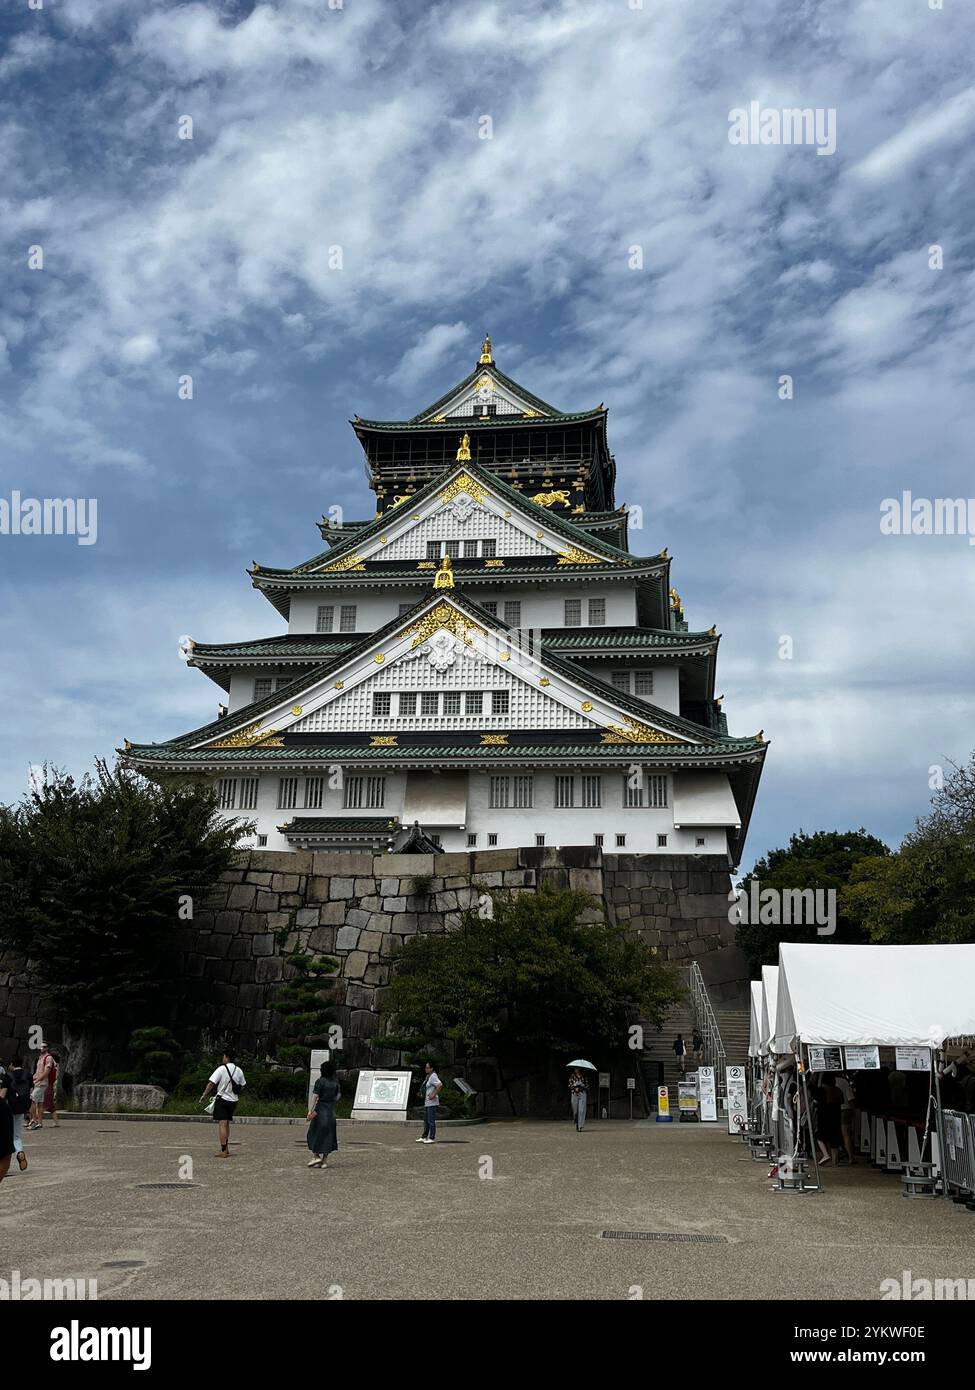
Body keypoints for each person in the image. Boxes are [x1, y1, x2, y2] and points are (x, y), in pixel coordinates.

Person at [200, 1049, 246, 1158]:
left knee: (222, 1124)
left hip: (222, 1100)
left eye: (224, 1056)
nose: (223, 1058)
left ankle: (223, 1150)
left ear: (227, 1057)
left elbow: (211, 1083)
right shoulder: (239, 1070)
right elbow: (243, 1085)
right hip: (233, 1101)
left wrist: (204, 1094)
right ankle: (226, 1147)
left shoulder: (222, 1068)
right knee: (227, 1124)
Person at [306, 1061, 341, 1169]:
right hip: (331, 1111)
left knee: (314, 1133)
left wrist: (310, 1111)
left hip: (320, 1110)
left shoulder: (320, 1081)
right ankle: (324, 1160)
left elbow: (315, 1096)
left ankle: (316, 1156)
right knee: (329, 1135)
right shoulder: (335, 1082)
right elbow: (338, 1096)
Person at [4, 1058, 31, 1171]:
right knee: (17, 1135)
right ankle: (19, 1152)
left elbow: (2, 1094)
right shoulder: (28, 1075)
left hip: (9, 1109)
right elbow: (30, 1091)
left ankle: (4, 1161)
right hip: (21, 1108)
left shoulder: (8, 1076)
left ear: (12, 1064)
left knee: (5, 1135)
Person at [814, 1073, 844, 1166]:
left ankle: (826, 1154)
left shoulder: (821, 1090)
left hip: (824, 1116)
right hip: (836, 1116)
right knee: (835, 1139)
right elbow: (842, 1101)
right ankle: (835, 1162)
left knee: (819, 1136)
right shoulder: (838, 1090)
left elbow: (815, 1101)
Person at [28, 1043, 55, 1131]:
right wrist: (32, 1079)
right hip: (38, 1082)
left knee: (32, 1100)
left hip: (42, 1083)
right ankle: (39, 1123)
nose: (42, 1048)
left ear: (47, 1048)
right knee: (40, 1103)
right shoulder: (40, 1057)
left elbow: (46, 1072)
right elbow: (37, 1072)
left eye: (44, 1046)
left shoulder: (49, 1058)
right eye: (41, 1046)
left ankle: (34, 1121)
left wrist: (36, 1081)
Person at [416, 1060, 442, 1144]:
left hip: (432, 1102)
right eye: (426, 1067)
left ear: (432, 1068)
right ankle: (424, 1136)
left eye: (428, 1067)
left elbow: (439, 1085)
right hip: (427, 1102)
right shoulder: (428, 1076)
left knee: (431, 1120)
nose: (426, 1069)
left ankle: (432, 1137)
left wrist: (433, 1094)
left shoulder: (433, 1076)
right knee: (426, 1120)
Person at [835, 1073, 857, 1164]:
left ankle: (836, 1157)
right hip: (845, 1109)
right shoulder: (844, 1082)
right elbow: (850, 1098)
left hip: (833, 1110)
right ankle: (851, 1157)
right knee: (846, 1134)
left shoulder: (826, 1081)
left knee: (835, 1134)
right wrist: (853, 1110)